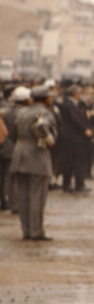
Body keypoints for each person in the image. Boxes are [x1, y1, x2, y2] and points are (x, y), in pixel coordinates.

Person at [11, 85, 57, 240]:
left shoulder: (21, 112)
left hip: (19, 154)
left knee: (23, 197)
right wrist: (49, 140)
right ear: (45, 98)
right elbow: (41, 125)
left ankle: (26, 230)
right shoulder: (44, 112)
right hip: (36, 155)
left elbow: (13, 133)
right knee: (38, 196)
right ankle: (36, 231)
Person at [2, 87, 32, 212]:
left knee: (5, 176)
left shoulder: (6, 111)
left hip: (4, 147)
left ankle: (5, 201)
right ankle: (15, 204)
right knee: (16, 177)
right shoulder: (24, 113)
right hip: (17, 147)